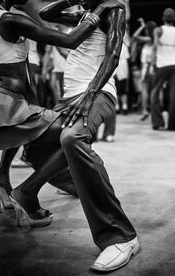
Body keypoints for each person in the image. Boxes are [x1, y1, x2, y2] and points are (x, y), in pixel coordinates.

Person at [0, 0, 121, 230]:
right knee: (75, 133)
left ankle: (2, 178)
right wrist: (98, 10)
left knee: (46, 137)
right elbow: (70, 40)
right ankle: (28, 191)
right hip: (6, 101)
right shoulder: (10, 19)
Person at [40, 0, 138, 271]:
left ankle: (121, 236)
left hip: (97, 93)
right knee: (36, 140)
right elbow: (45, 14)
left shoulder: (114, 11)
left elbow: (113, 56)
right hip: (71, 96)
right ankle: (37, 191)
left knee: (72, 139)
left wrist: (90, 93)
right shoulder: (86, 15)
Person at [150, 8, 175, 131]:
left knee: (155, 93)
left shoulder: (158, 30)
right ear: (174, 19)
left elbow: (154, 47)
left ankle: (157, 123)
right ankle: (173, 125)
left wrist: (153, 64)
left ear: (163, 18)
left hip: (162, 64)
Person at [133, 18, 157, 122]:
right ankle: (155, 111)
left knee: (145, 91)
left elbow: (135, 36)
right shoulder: (156, 39)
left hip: (147, 68)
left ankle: (145, 111)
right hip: (154, 68)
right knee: (155, 91)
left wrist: (142, 26)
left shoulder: (149, 39)